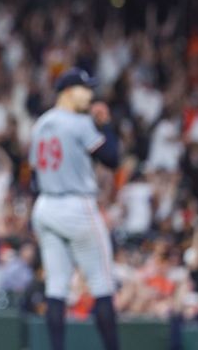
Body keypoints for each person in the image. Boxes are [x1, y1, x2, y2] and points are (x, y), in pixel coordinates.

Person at [29, 68, 120, 350]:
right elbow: (112, 158)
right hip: (76, 205)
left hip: (45, 205)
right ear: (68, 92)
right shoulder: (80, 123)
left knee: (56, 287)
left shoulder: (40, 124)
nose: (90, 95)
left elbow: (33, 176)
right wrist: (105, 125)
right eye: (85, 89)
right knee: (102, 285)